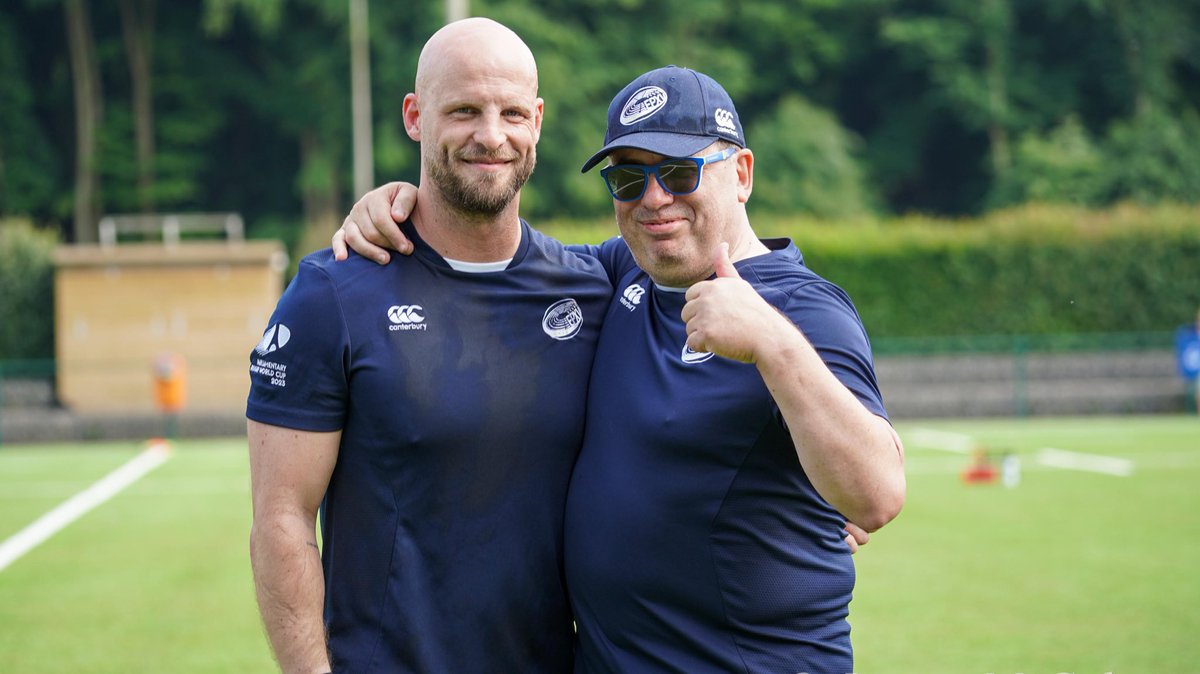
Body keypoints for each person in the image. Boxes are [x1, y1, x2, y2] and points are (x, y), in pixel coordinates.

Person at [337, 66, 904, 672]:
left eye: (680, 172)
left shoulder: (805, 310)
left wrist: (773, 343)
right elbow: (495, 258)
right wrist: (402, 207)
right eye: (629, 178)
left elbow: (876, 496)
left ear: (741, 174)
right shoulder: (621, 274)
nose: (654, 199)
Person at [245, 18, 612, 673]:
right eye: (464, 110)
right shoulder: (331, 294)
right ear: (415, 116)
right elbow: (281, 519)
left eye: (512, 113)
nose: (491, 135)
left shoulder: (592, 289)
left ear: (538, 122)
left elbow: (703, 261)